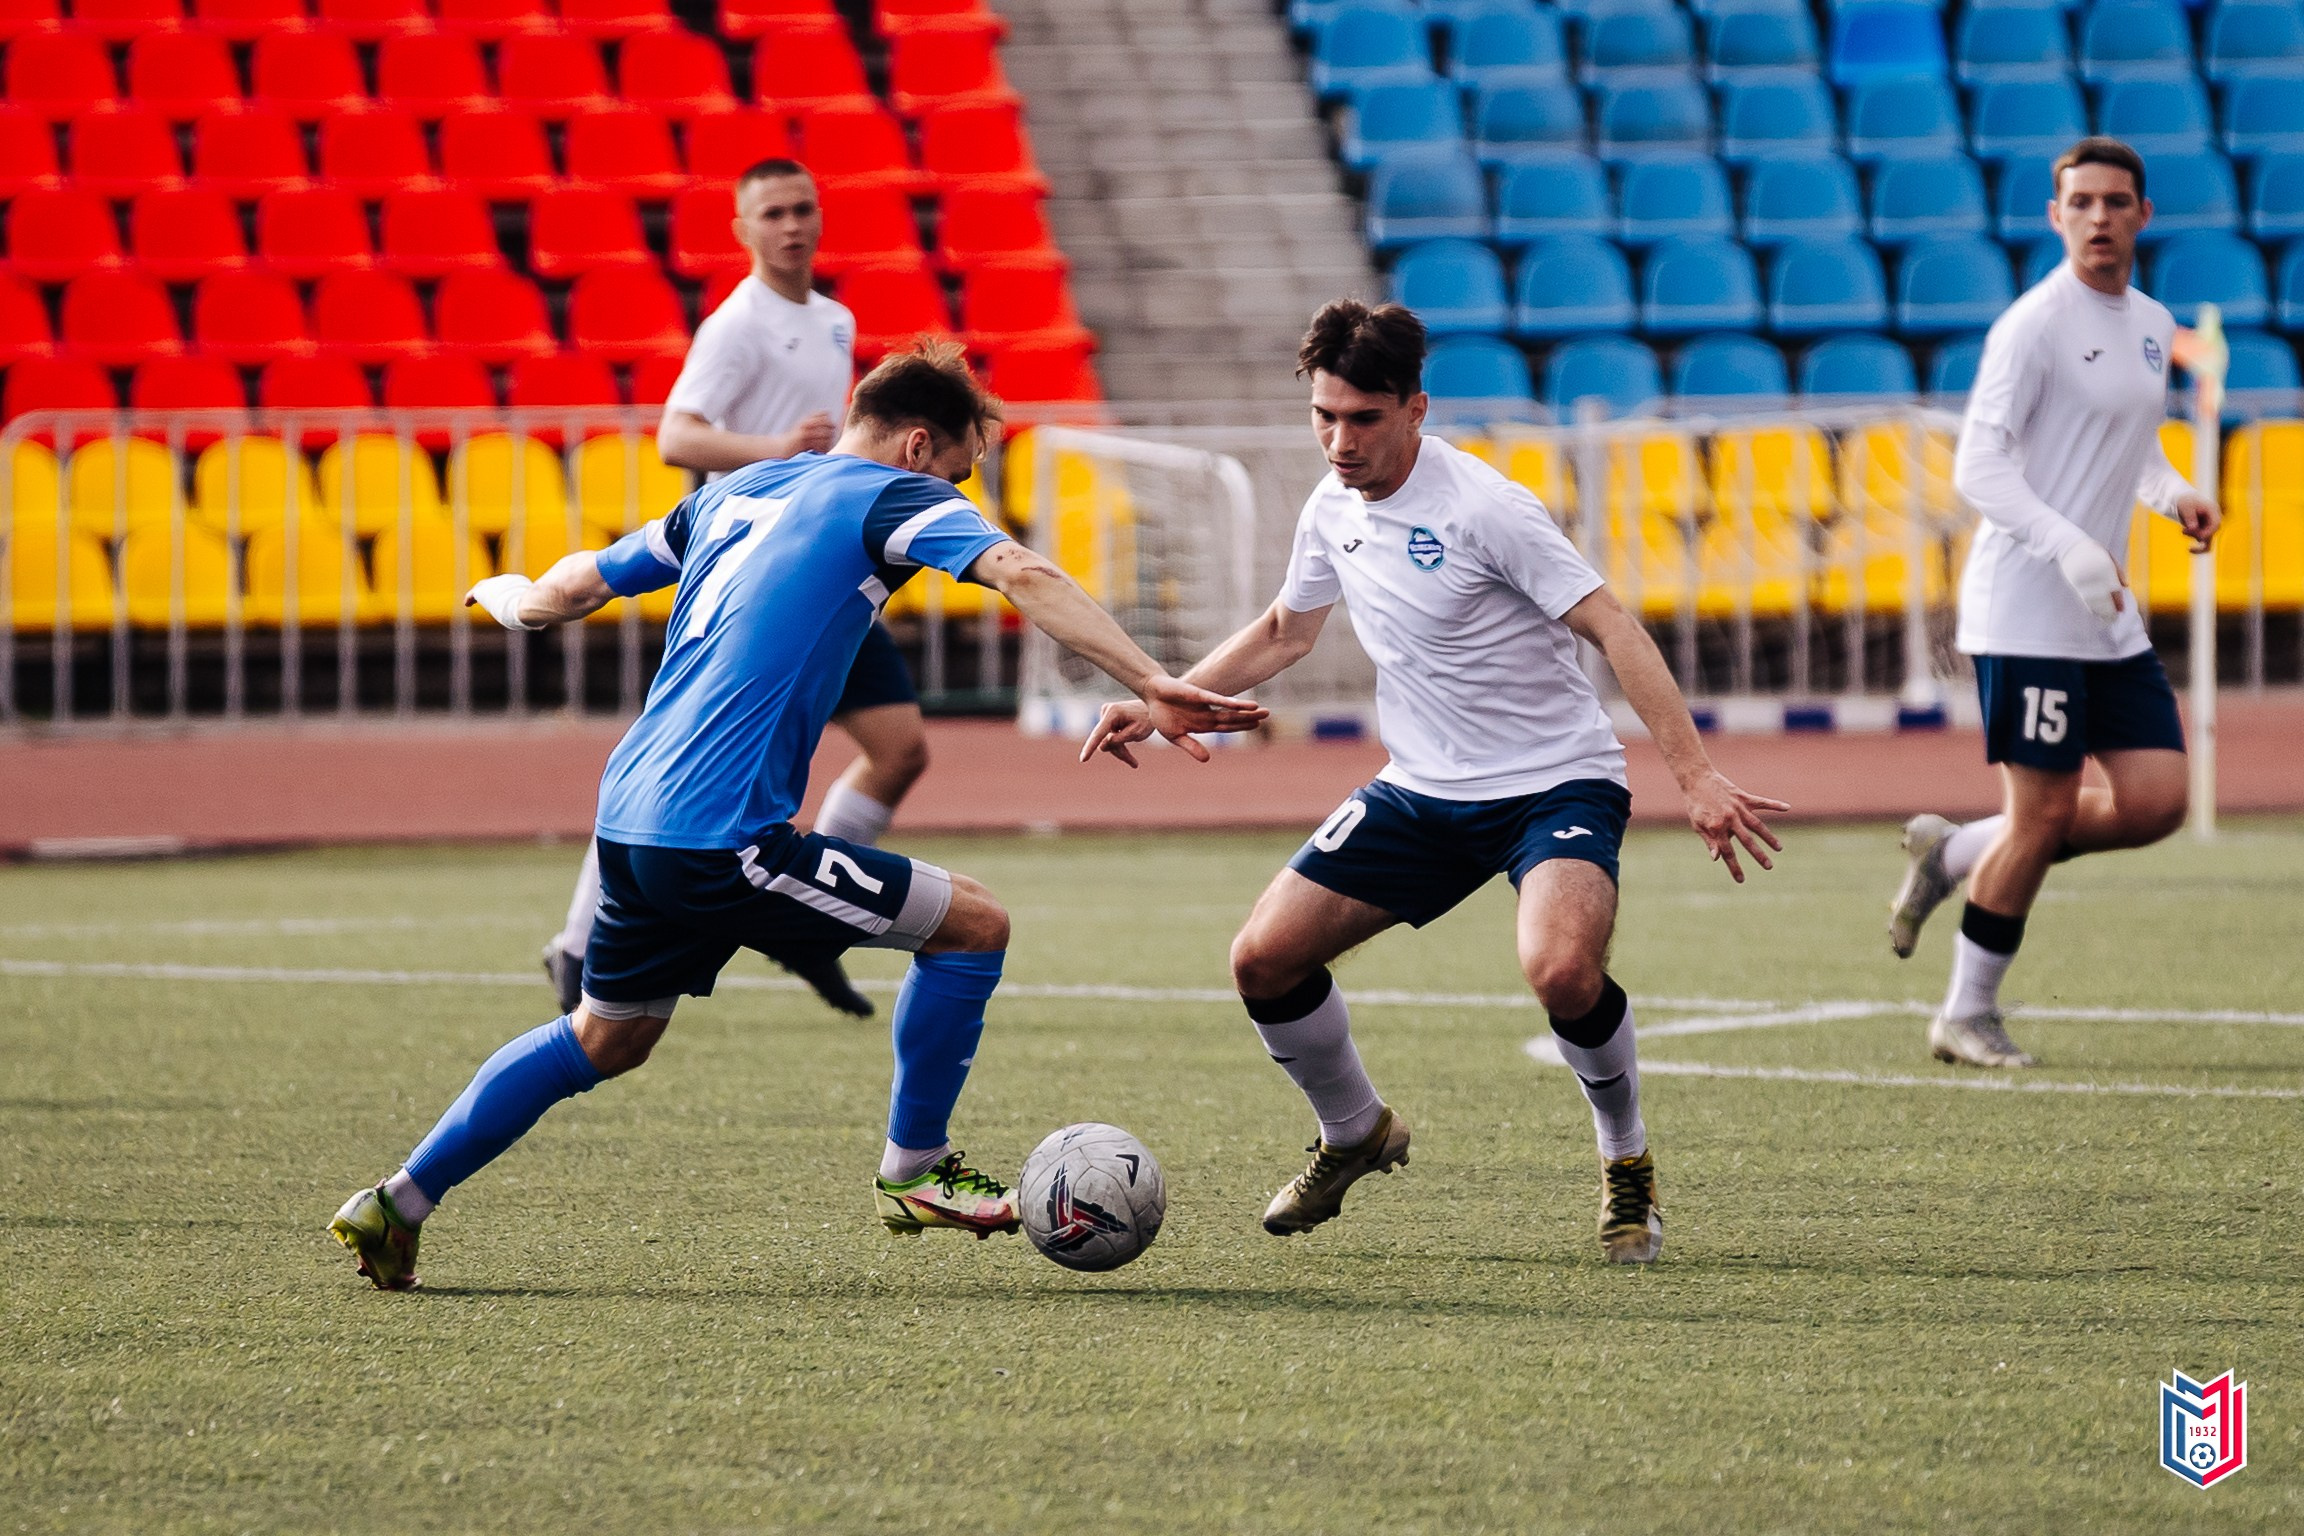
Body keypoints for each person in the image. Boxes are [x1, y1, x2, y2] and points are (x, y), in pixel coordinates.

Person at [330, 345, 1265, 1291]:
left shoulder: (736, 492)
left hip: (628, 817)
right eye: (958, 469)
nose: (959, 493)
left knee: (604, 1037)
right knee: (975, 925)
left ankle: (397, 1202)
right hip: (721, 833)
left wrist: (514, 603)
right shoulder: (893, 495)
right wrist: (1155, 680)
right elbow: (1022, 572)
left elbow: (578, 586)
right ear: (915, 443)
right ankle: (914, 1170)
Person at [1083, 301, 1786, 1264]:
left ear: (1417, 409)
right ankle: (1355, 1131)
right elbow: (1289, 630)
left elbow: (1615, 627)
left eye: (1363, 418)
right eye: (1324, 416)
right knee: (1262, 960)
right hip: (1420, 790)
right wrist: (1166, 695)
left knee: (1562, 970)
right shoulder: (1331, 507)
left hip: (1554, 786)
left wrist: (1697, 778)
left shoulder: (1487, 508)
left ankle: (1627, 1166)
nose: (1339, 441)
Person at [541, 155, 929, 1021]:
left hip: (821, 567)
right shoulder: (736, 326)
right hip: (744, 577)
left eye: (803, 209)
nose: (792, 226)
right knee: (669, 764)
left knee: (900, 747)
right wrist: (778, 448)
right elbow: (677, 437)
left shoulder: (835, 319)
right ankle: (576, 944)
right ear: (742, 230)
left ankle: (811, 926)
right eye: (774, 214)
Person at [1885, 138, 2222, 1069]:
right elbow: (1980, 467)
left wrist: (2175, 493)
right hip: (2027, 606)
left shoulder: (2152, 323)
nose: (2100, 218)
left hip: (2099, 611)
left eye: (2117, 202)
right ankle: (1965, 1012)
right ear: (2056, 215)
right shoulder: (2032, 325)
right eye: (2082, 203)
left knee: (2155, 800)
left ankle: (1954, 855)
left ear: (2143, 215)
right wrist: (2070, 542)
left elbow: (2133, 444)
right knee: (2041, 815)